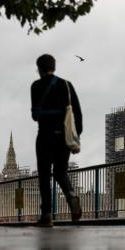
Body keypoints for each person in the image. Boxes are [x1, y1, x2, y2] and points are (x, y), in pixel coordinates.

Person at [31, 54, 82, 227]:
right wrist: (75, 137)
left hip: (44, 136)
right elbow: (78, 114)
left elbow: (34, 115)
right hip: (62, 137)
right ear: (54, 67)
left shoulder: (36, 86)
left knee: (44, 176)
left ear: (39, 69)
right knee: (61, 172)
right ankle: (71, 195)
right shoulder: (66, 85)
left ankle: (46, 215)